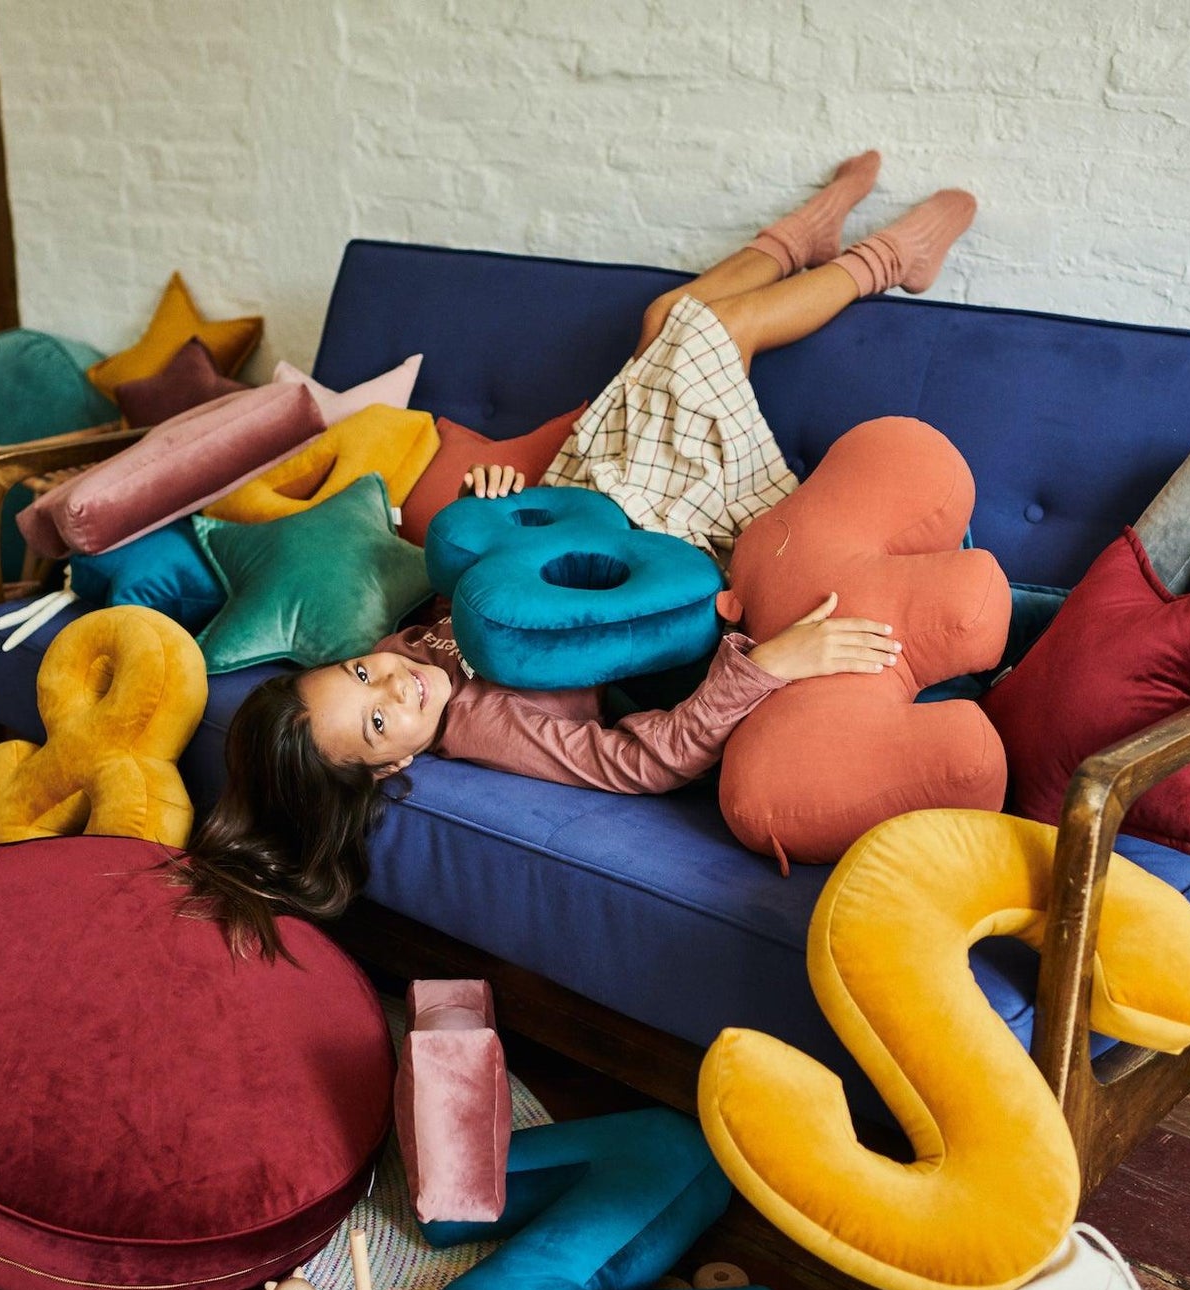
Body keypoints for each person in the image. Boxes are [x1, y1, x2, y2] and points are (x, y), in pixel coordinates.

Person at [175, 153, 977, 958]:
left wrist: (492, 507)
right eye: (380, 719)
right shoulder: (486, 725)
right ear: (391, 766)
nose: (391, 681)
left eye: (358, 674)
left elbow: (479, 575)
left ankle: (806, 237)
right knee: (710, 331)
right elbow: (637, 762)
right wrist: (764, 665)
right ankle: (880, 261)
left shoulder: (400, 647)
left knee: (670, 316)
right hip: (665, 557)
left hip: (584, 511)